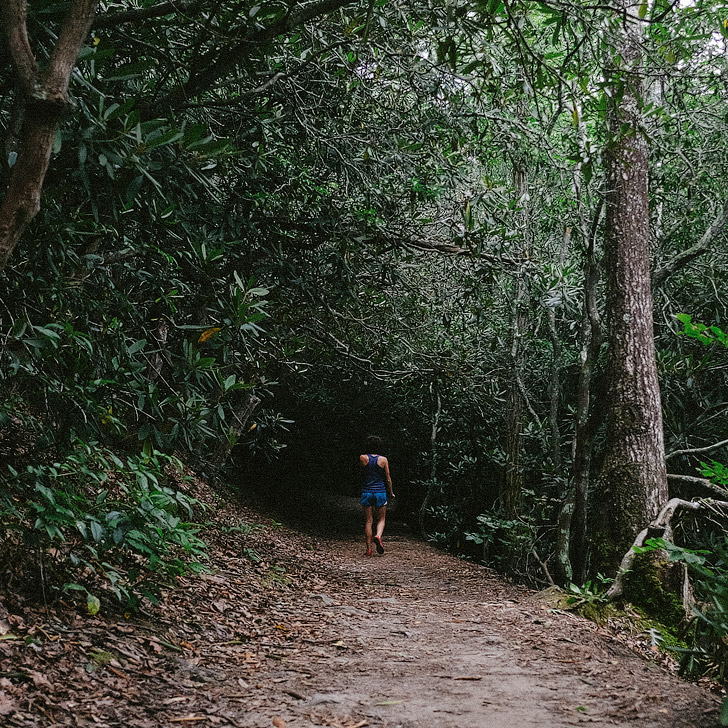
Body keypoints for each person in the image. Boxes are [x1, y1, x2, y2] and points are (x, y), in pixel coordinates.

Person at [359, 435, 394, 556]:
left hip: (367, 491)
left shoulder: (362, 458)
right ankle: (378, 536)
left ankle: (368, 550)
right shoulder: (383, 460)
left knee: (368, 520)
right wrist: (391, 491)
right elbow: (388, 478)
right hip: (380, 491)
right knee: (381, 519)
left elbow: (362, 474)